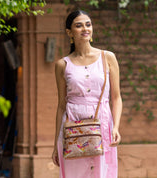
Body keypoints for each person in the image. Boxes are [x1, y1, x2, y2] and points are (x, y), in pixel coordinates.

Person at [52, 10, 122, 178]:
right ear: (69, 32)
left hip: (102, 125)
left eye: (88, 24)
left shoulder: (107, 57)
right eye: (79, 25)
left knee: (102, 173)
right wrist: (56, 143)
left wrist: (116, 126)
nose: (85, 28)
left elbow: (116, 97)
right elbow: (61, 104)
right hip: (71, 128)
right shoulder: (62, 65)